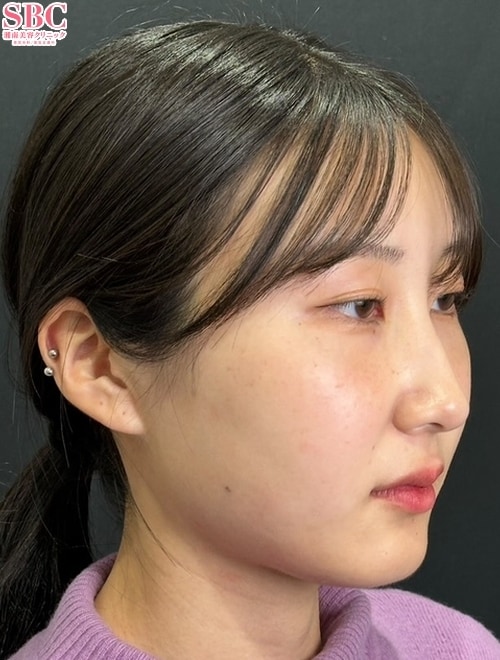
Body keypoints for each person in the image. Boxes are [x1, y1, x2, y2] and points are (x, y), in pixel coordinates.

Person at [0, 18, 498, 660]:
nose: (446, 402)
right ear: (102, 367)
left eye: (445, 298)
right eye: (357, 306)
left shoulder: (457, 648)